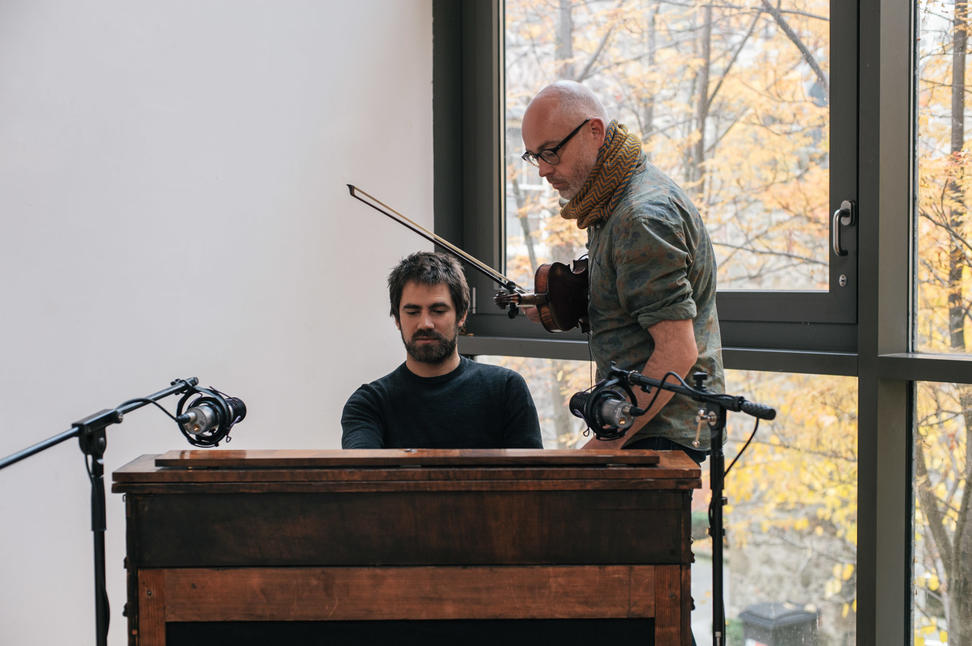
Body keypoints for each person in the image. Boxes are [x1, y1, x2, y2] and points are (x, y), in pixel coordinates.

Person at [520, 81, 724, 463]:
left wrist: (606, 444)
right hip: (648, 426)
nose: (544, 170)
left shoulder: (639, 217)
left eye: (551, 152)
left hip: (659, 434)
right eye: (534, 157)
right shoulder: (614, 199)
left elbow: (677, 351)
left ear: (594, 132)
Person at [342, 251, 543, 449]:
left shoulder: (506, 389)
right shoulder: (368, 404)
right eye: (412, 312)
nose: (425, 324)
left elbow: (533, 478)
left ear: (462, 315)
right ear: (397, 319)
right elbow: (364, 477)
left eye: (438, 311)